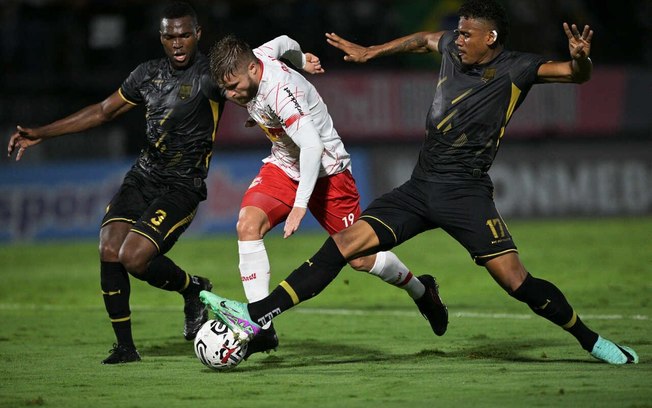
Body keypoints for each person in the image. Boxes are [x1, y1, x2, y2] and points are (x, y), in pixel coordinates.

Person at [199, 0, 639, 365]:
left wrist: (581, 59)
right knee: (343, 246)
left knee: (515, 281)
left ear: (492, 38)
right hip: (419, 186)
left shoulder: (518, 69)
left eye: (468, 34)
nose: (457, 38)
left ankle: (590, 340)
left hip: (465, 194)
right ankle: (259, 315)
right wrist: (372, 52)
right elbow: (423, 39)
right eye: (459, 31)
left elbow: (574, 75)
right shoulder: (450, 47)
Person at [7, 2, 224, 364]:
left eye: (185, 34)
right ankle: (125, 347)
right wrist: (42, 133)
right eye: (170, 36)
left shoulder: (209, 75)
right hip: (142, 178)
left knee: (134, 258)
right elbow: (103, 111)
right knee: (109, 248)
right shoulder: (147, 74)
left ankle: (194, 288)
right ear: (161, 38)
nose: (178, 43)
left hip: (181, 187)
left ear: (198, 34)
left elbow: (247, 85)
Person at [207, 34, 448, 359]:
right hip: (285, 166)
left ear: (252, 69)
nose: (231, 95)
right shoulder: (259, 57)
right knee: (247, 225)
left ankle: (422, 291)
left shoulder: (280, 92)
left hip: (328, 172)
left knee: (360, 258)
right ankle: (262, 328)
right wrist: (303, 59)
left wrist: (299, 207)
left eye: (234, 86)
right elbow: (283, 41)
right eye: (226, 90)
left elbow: (312, 146)